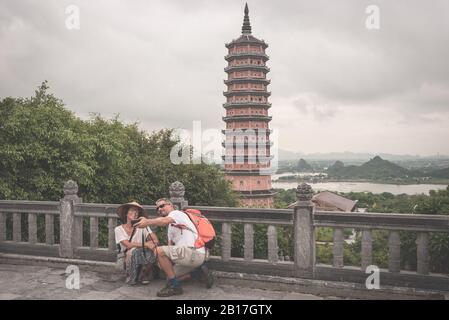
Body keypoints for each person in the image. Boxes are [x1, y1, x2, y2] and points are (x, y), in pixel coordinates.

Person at [135, 198, 213, 297]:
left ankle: (175, 287)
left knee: (159, 251)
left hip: (193, 252)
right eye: (157, 208)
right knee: (169, 275)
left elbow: (164, 221)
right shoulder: (171, 227)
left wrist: (147, 222)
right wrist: (160, 263)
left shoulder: (177, 213)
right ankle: (198, 273)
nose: (159, 209)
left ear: (170, 205)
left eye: (162, 206)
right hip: (191, 257)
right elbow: (169, 247)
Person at [115, 201, 159, 285]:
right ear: (126, 214)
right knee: (131, 251)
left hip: (142, 255)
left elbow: (155, 240)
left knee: (153, 250)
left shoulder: (143, 227)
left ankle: (144, 274)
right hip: (126, 256)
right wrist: (146, 244)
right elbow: (127, 245)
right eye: (131, 210)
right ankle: (131, 276)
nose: (134, 213)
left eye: (136, 211)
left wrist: (152, 244)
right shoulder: (118, 229)